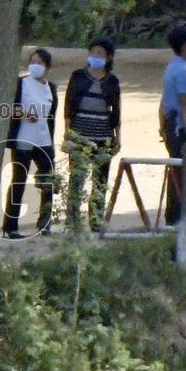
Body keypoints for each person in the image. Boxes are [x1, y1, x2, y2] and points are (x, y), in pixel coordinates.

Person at [63, 37, 121, 232]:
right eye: (93, 52)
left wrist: (117, 136)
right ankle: (72, 220)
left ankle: (96, 219)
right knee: (77, 178)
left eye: (100, 53)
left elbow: (117, 110)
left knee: (100, 179)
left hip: (103, 135)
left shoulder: (112, 81)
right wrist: (68, 132)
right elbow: (68, 105)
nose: (95, 56)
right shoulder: (78, 76)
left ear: (108, 57)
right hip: (80, 134)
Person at [2, 48, 58, 238]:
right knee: (19, 180)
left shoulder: (51, 88)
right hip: (23, 139)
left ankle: (45, 222)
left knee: (48, 181)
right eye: (32, 61)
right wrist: (25, 114)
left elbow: (51, 117)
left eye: (40, 63)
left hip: (43, 140)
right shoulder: (21, 84)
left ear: (48, 67)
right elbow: (8, 108)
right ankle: (11, 226)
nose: (35, 66)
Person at [159, 25, 186, 226]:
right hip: (178, 126)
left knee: (177, 169)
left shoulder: (171, 66)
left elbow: (164, 99)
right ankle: (176, 215)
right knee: (181, 171)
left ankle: (174, 214)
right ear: (185, 45)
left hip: (170, 123)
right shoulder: (184, 71)